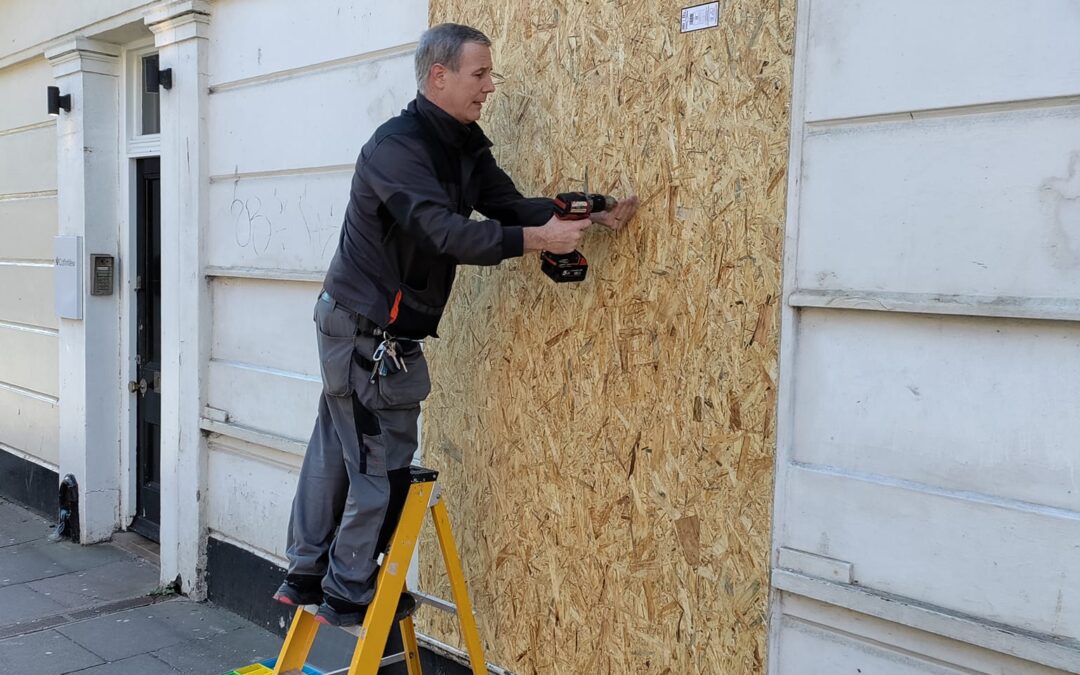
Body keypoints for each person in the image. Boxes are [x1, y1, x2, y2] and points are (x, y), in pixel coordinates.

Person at [274, 22, 640, 627]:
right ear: (439, 77)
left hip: (369, 330)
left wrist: (592, 211)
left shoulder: (464, 144)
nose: (490, 86)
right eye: (481, 74)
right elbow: (442, 230)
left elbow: (507, 205)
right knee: (379, 459)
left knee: (339, 450)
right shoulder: (397, 148)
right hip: (364, 329)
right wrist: (535, 239)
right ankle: (348, 593)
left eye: (490, 74)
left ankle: (305, 575)